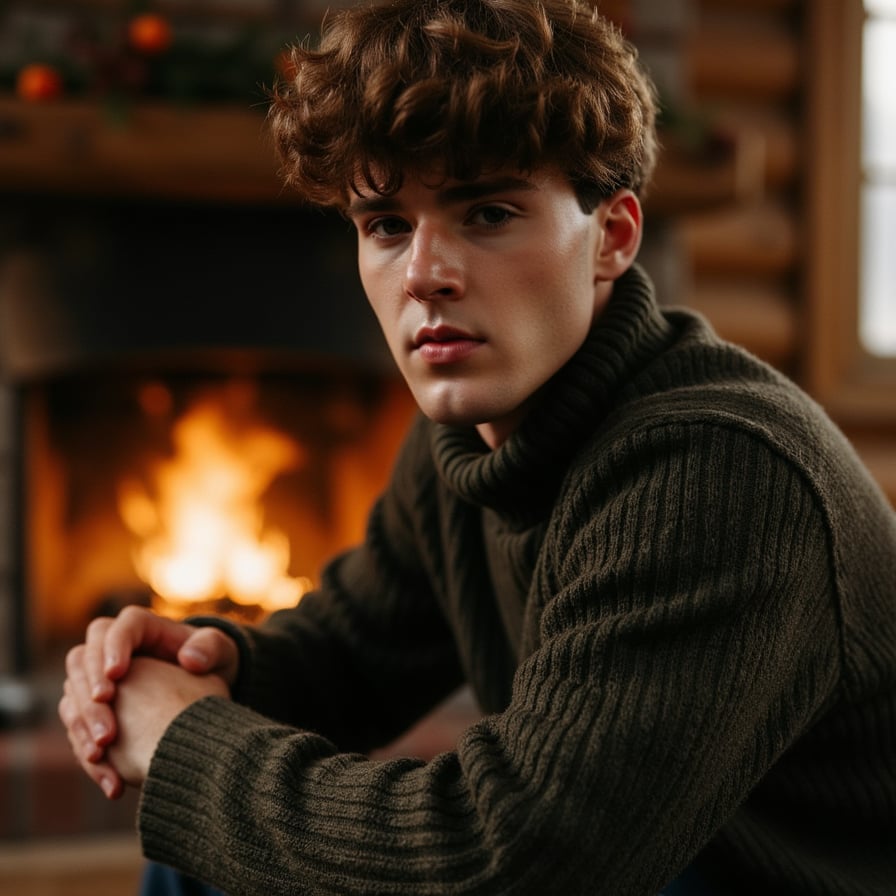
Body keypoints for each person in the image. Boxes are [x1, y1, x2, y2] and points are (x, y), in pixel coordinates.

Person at [58, 0, 896, 894]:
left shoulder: (720, 473)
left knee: (221, 808)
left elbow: (513, 862)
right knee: (209, 847)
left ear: (612, 236)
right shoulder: (468, 437)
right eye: (385, 224)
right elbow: (356, 649)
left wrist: (186, 742)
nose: (423, 274)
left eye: (488, 213)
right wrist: (210, 665)